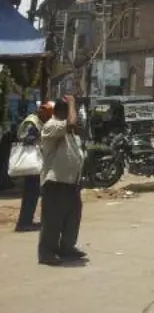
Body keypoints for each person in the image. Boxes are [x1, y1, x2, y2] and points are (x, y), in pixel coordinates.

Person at [38, 95, 86, 266]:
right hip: (55, 181)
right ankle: (46, 252)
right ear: (63, 112)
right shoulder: (52, 126)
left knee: (73, 216)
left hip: (71, 181)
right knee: (53, 219)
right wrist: (72, 103)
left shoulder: (69, 132)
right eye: (71, 111)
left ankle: (67, 247)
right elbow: (71, 123)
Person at [15, 102, 53, 232]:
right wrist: (39, 136)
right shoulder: (32, 122)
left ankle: (27, 220)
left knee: (33, 193)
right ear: (42, 112)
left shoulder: (39, 121)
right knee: (30, 194)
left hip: (36, 163)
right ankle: (24, 223)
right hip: (30, 162)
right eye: (48, 114)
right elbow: (23, 137)